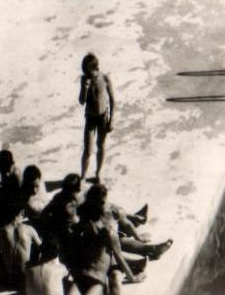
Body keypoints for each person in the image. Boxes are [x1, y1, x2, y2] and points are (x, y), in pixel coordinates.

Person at [72, 183, 143, 292]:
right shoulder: (87, 222)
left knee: (115, 278)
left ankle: (143, 250)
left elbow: (118, 257)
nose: (104, 205)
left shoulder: (103, 220)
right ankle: (137, 260)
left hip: (99, 264)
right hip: (95, 267)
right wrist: (132, 278)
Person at [78, 53, 115, 181]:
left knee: (101, 145)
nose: (87, 75)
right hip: (90, 118)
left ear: (95, 69)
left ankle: (98, 173)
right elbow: (81, 101)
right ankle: (83, 176)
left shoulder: (104, 78)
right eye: (85, 72)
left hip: (102, 117)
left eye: (89, 72)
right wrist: (84, 87)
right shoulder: (84, 79)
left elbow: (112, 100)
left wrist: (112, 120)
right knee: (88, 150)